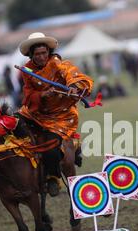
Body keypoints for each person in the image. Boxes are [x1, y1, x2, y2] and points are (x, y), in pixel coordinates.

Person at [18, 32, 93, 196]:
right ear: (31, 55)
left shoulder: (57, 63)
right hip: (38, 113)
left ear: (49, 52)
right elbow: (28, 95)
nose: (41, 57)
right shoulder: (26, 70)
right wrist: (42, 95)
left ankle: (53, 177)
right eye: (37, 54)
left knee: (51, 148)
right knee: (13, 123)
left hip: (61, 116)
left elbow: (71, 73)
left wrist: (74, 86)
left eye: (44, 53)